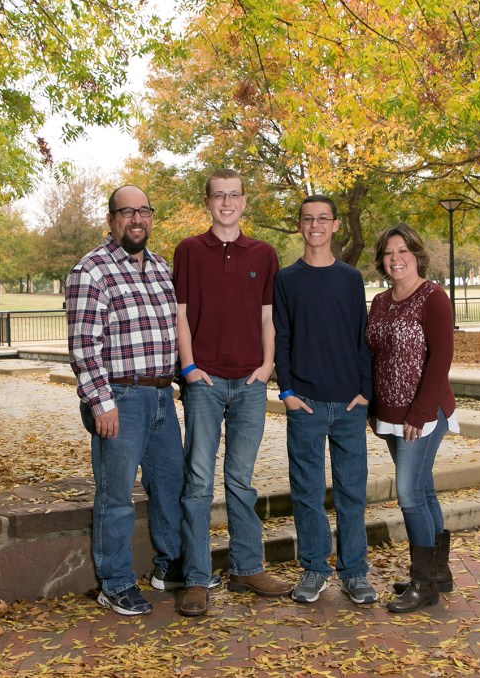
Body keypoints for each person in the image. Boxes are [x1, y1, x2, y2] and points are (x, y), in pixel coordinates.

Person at [173, 168, 293, 616]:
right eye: (219, 195)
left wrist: (266, 367)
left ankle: (246, 568)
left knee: (241, 480)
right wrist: (189, 367)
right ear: (207, 202)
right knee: (199, 482)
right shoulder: (188, 250)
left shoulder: (263, 253)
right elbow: (180, 313)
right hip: (204, 382)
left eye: (234, 195)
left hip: (249, 384)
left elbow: (268, 316)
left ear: (244, 201)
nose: (227, 203)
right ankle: (197, 578)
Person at [66, 185, 185, 616]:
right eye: (127, 212)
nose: (137, 219)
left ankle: (169, 567)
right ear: (112, 219)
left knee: (169, 486)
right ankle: (115, 583)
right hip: (121, 397)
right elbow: (84, 345)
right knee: (116, 495)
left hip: (162, 395)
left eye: (144, 211)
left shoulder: (161, 267)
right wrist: (101, 402)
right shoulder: (91, 270)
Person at [273, 195, 377, 605]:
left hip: (349, 405)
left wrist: (365, 391)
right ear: (299, 225)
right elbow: (281, 338)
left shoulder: (350, 278)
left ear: (335, 225)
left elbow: (361, 337)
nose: (315, 225)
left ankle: (355, 573)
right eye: (307, 219)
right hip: (306, 403)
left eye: (322, 218)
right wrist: (286, 391)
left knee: (352, 492)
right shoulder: (286, 279)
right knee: (307, 492)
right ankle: (315, 569)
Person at [365, 223, 459, 613]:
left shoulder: (433, 297)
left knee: (408, 493)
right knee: (423, 489)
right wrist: (373, 409)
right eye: (388, 253)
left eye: (402, 251)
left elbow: (441, 358)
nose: (395, 259)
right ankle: (438, 573)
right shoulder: (379, 302)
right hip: (390, 414)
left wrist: (420, 414)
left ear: (416, 255)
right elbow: (373, 356)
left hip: (424, 413)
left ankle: (424, 585)